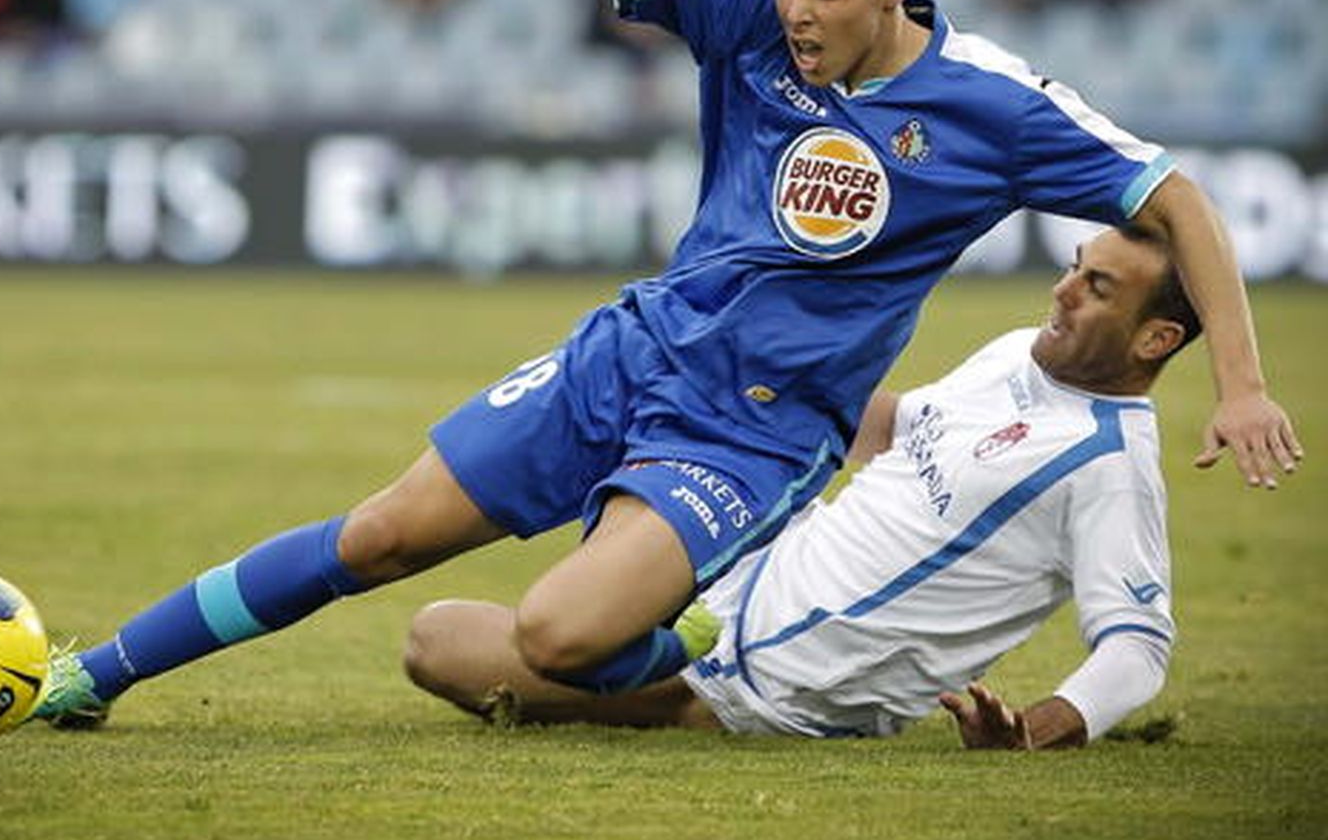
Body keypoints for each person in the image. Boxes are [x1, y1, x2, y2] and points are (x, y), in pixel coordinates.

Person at [32, 0, 1300, 728]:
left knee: (554, 639)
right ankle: (94, 673)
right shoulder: (747, 7)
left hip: (754, 433)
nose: (795, 12)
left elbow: (1175, 197)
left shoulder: (993, 106)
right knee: (378, 537)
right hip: (633, 350)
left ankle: (715, 631)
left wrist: (1237, 386)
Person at [404, 225, 1193, 748]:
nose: (1062, 290)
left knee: (438, 642)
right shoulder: (1019, 353)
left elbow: (1137, 645)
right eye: (1074, 266)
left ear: (1157, 338)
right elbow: (890, 426)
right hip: (752, 568)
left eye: (1098, 289)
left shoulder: (1108, 464)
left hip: (775, 683)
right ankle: (637, 635)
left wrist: (1044, 727)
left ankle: (645, 672)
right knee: (471, 625)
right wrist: (738, 392)